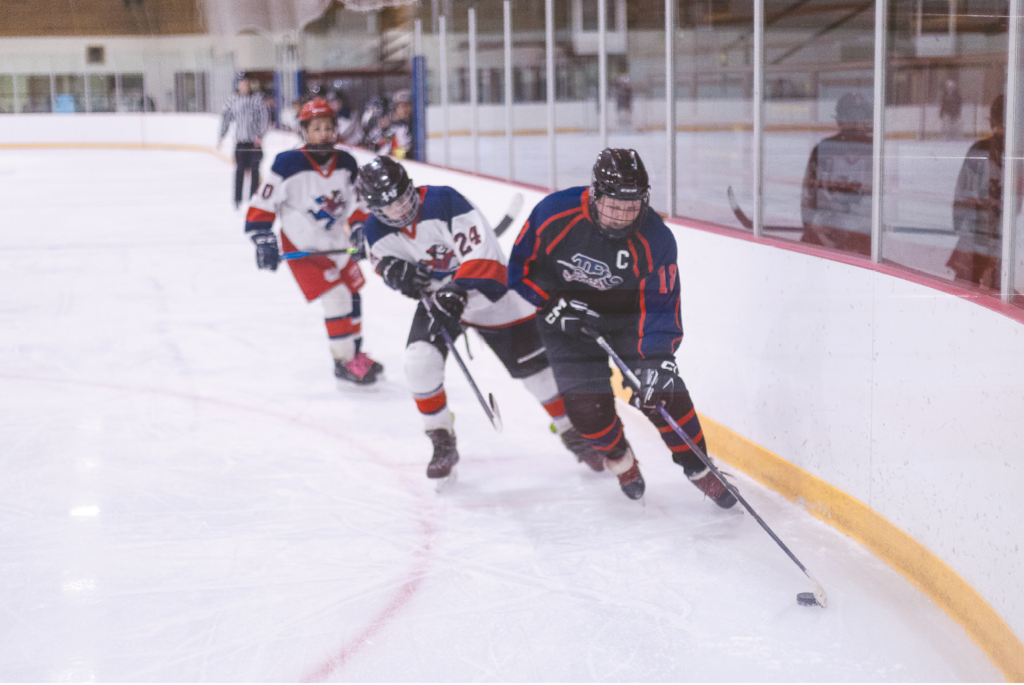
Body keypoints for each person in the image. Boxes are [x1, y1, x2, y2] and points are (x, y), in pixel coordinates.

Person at [507, 148, 737, 507]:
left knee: (664, 393)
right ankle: (621, 460)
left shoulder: (656, 238)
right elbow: (519, 270)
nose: (622, 217)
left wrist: (656, 359)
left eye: (631, 208)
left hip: (630, 321)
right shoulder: (555, 213)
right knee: (586, 410)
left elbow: (660, 303)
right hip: (568, 324)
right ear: (595, 194)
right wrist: (551, 303)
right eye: (613, 206)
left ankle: (699, 468)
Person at [355, 156, 604, 479]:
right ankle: (441, 438)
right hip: (438, 300)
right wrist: (394, 273)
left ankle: (571, 430)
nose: (400, 209)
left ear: (410, 188)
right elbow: (385, 264)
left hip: (487, 295)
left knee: (537, 373)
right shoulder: (375, 231)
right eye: (390, 206)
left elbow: (486, 260)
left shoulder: (445, 201)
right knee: (419, 362)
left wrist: (457, 289)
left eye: (403, 198)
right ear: (375, 209)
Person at [244, 98, 384, 387]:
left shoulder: (346, 162)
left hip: (337, 243)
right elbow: (263, 203)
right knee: (337, 298)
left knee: (354, 295)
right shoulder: (287, 164)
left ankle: (355, 354)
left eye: (328, 128)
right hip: (303, 248)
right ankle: (343, 361)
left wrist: (360, 227)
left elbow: (359, 203)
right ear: (304, 131)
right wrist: (262, 236)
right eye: (316, 128)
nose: (323, 134)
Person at [799, 92, 874, 256]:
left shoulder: (876, 152)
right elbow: (808, 197)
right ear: (839, 120)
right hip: (823, 238)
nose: (854, 123)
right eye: (849, 117)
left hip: (860, 242)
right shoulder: (823, 150)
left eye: (859, 117)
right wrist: (814, 230)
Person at [948, 95, 1006, 289]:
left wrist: (958, 221)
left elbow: (962, 197)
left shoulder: (980, 150)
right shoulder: (982, 151)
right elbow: (964, 197)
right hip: (983, 238)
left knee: (968, 290)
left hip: (984, 238)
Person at [219, 75, 271, 209]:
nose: (244, 86)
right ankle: (238, 199)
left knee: (255, 170)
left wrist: (260, 135)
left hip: (254, 142)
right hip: (240, 142)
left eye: (246, 83)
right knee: (239, 170)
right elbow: (226, 118)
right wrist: (221, 136)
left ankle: (254, 197)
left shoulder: (257, 99)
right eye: (242, 83)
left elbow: (264, 117)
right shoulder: (233, 100)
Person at [379, 89, 415, 160]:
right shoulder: (391, 128)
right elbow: (383, 150)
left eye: (408, 105)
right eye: (401, 106)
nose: (404, 110)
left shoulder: (416, 127)